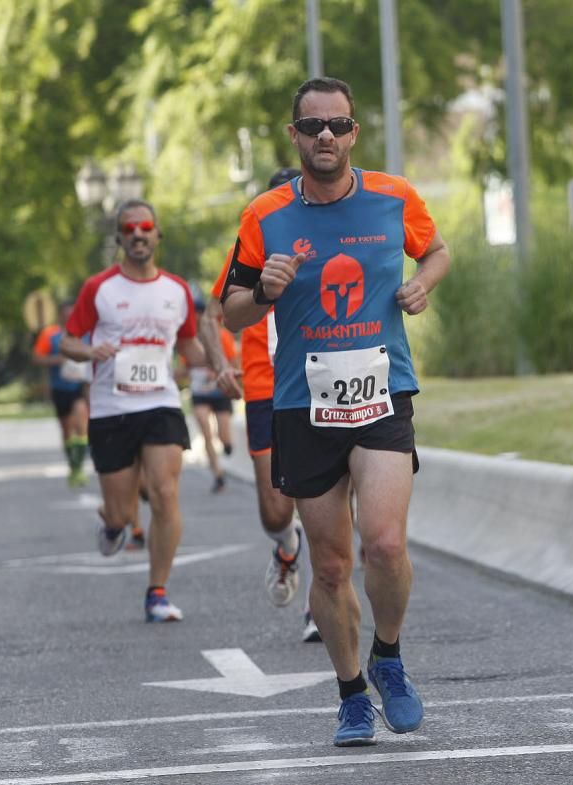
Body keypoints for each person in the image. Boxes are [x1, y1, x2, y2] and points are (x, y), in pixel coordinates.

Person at [222, 77, 451, 746]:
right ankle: (352, 692)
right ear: (294, 135)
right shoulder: (264, 215)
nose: (327, 136)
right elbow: (231, 309)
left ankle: (390, 653)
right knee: (328, 565)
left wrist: (421, 283)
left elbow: (436, 250)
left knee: (383, 541)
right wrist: (262, 291)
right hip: (302, 401)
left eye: (339, 126)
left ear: (354, 134)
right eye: (313, 126)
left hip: (382, 390)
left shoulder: (394, 198)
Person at [60, 198, 210, 623]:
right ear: (121, 239)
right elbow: (67, 340)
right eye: (130, 229)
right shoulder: (99, 288)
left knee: (164, 493)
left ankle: (157, 592)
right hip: (111, 408)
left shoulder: (177, 290)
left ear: (157, 234)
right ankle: (112, 524)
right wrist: (90, 349)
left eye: (146, 227)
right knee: (123, 514)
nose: (139, 234)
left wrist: (217, 364)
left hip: (160, 401)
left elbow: (187, 345)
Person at [207, 166, 319, 643]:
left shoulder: (330, 241)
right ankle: (286, 548)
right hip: (265, 391)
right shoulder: (250, 248)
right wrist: (219, 364)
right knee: (276, 513)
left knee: (330, 507)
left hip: (324, 384)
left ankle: (321, 605)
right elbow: (214, 314)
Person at [32, 303, 93, 488]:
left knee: (81, 420)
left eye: (72, 315)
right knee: (67, 430)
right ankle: (73, 466)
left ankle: (80, 466)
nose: (69, 319)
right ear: (60, 316)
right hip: (60, 388)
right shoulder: (50, 335)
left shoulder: (87, 334)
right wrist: (58, 359)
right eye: (66, 315)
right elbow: (36, 358)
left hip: (79, 387)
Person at [183, 294, 238, 494]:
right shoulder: (188, 337)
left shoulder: (222, 335)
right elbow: (186, 365)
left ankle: (227, 444)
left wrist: (217, 370)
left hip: (220, 389)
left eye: (198, 313)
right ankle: (218, 474)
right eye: (192, 314)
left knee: (223, 435)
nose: (195, 317)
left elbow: (233, 363)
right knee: (205, 430)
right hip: (200, 391)